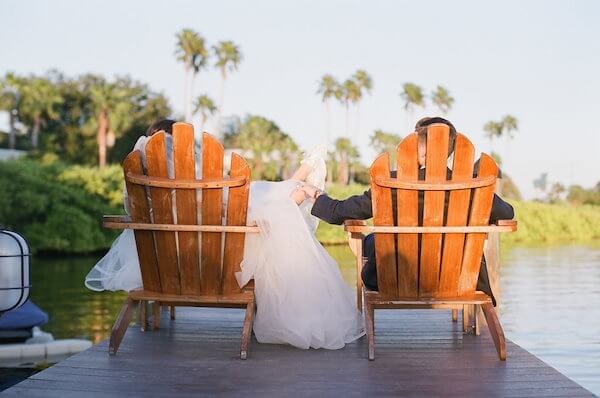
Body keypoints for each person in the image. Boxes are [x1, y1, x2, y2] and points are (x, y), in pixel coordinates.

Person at [85, 120, 364, 350]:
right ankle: (294, 191)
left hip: (163, 264)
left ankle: (292, 191)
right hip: (210, 261)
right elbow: (224, 216)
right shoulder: (192, 191)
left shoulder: (147, 190)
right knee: (260, 219)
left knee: (257, 204)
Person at [301, 117, 514, 305]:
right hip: (460, 278)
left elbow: (340, 212)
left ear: (420, 149)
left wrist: (318, 195)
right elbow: (507, 214)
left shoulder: (391, 182)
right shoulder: (470, 185)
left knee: (373, 240)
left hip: (395, 279)